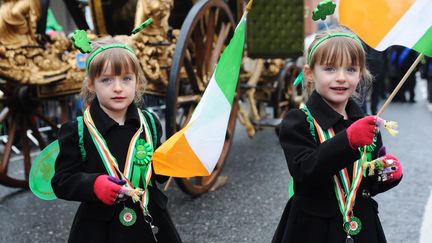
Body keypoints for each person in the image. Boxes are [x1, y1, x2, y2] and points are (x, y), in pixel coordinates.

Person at [272, 28, 403, 243]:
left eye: (351, 69)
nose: (341, 78)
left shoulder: (368, 124)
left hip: (362, 225)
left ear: (360, 74)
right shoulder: (298, 122)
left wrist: (385, 173)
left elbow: (365, 183)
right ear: (310, 73)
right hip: (312, 228)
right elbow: (305, 173)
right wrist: (348, 141)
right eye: (330, 69)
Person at [51, 37, 182, 243]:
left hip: (149, 218)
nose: (118, 88)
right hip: (101, 228)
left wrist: (175, 160)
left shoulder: (149, 122)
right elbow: (62, 181)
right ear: (91, 85)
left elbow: (156, 173)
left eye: (126, 79)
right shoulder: (77, 130)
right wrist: (94, 184)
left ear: (136, 81)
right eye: (107, 80)